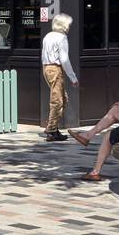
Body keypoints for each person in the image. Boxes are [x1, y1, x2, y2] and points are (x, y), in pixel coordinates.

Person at [41, 13, 79, 142]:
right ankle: (51, 130)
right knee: (58, 100)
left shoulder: (48, 36)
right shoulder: (61, 38)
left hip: (46, 67)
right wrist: (73, 77)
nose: (69, 27)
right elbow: (64, 59)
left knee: (62, 98)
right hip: (55, 68)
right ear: (63, 25)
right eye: (68, 24)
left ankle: (53, 127)